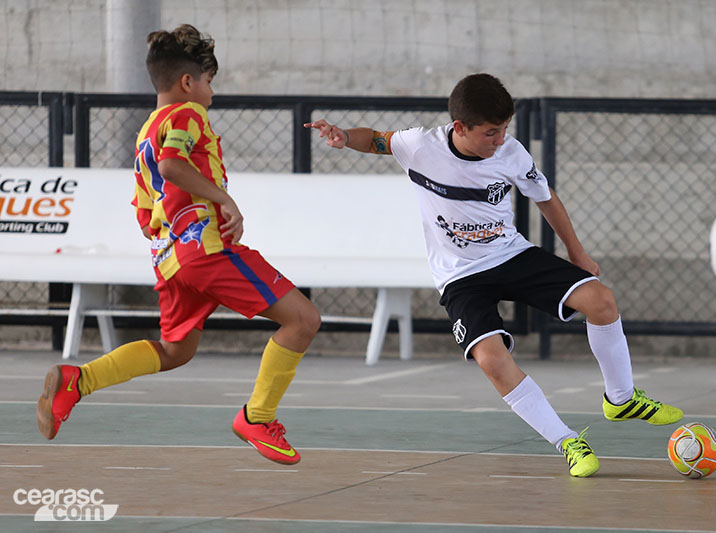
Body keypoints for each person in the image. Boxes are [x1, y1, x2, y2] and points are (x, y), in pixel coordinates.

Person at [305, 73, 682, 478]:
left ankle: (621, 398)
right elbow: (378, 139)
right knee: (491, 359)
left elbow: (547, 200)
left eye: (504, 130)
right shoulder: (420, 146)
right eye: (491, 132)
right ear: (460, 127)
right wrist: (345, 136)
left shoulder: (512, 154)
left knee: (601, 300)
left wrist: (577, 252)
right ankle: (567, 441)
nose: (500, 139)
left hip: (509, 254)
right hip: (460, 276)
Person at [36, 24, 320, 465]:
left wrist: (174, 234)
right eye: (209, 81)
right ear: (188, 82)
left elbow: (146, 209)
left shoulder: (145, 131)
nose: (211, 92)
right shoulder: (187, 114)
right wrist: (225, 199)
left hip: (170, 259)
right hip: (203, 251)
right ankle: (257, 417)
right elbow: (171, 166)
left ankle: (79, 380)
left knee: (174, 351)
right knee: (302, 319)